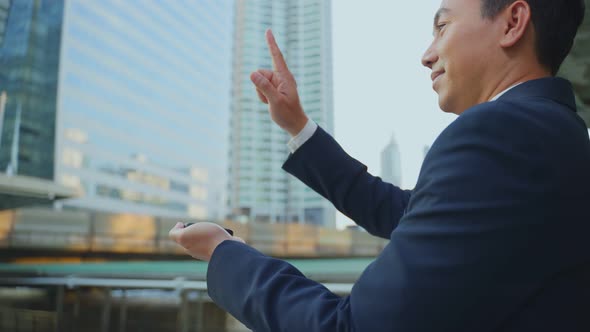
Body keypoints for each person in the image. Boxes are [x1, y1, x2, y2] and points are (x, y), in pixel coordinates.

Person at [169, 0, 590, 330]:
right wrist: (297, 125)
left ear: (513, 22)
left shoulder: (500, 132)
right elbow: (406, 213)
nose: (427, 55)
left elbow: (352, 327)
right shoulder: (552, 135)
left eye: (442, 26)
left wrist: (224, 253)